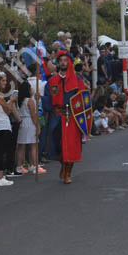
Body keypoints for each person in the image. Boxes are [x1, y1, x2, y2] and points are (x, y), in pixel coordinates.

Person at [48, 55, 87, 183]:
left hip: (72, 117)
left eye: (65, 61)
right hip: (57, 117)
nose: (63, 63)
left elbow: (82, 99)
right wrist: (39, 98)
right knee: (57, 145)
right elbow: (48, 99)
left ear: (69, 63)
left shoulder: (77, 79)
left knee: (71, 147)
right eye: (61, 61)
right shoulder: (52, 80)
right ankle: (63, 165)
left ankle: (68, 173)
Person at [15, 80, 44, 174]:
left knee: (21, 146)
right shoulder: (29, 100)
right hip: (29, 123)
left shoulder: (19, 100)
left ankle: (19, 166)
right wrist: (38, 126)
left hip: (22, 122)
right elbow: (33, 114)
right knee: (33, 145)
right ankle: (34, 165)